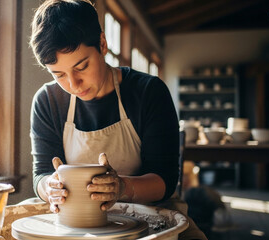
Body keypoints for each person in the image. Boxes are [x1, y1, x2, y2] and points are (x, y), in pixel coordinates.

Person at [29, 0, 206, 239]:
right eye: (59, 74)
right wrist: (49, 188)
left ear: (102, 44)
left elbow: (165, 180)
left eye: (81, 66)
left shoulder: (148, 91)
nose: (73, 84)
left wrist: (122, 187)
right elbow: (41, 173)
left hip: (149, 214)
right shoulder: (47, 101)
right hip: (76, 221)